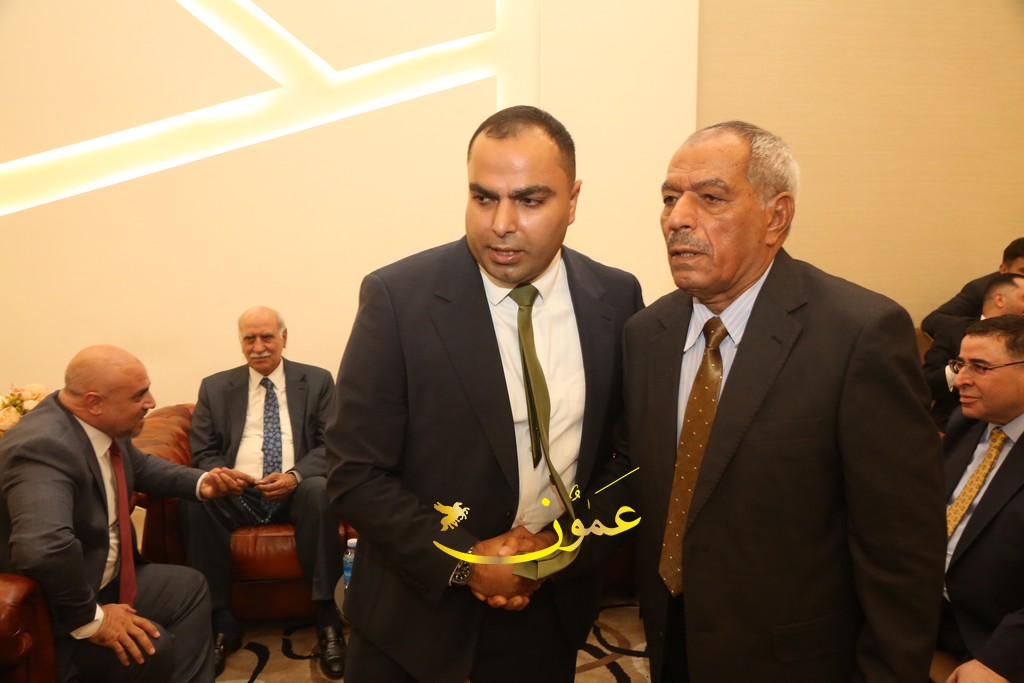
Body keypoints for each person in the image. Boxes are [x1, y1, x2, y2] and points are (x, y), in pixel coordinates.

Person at [324, 105, 643, 683]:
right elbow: (354, 473)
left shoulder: (617, 298)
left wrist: (554, 549)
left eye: (530, 200)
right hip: (412, 623)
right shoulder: (398, 299)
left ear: (573, 201)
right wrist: (468, 563)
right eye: (483, 197)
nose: (501, 223)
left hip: (548, 615)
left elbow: (625, 458)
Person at [622, 121, 946, 681]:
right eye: (670, 198)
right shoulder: (645, 334)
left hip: (798, 663)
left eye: (710, 198)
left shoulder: (860, 334)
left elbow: (901, 550)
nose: (677, 218)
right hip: (671, 644)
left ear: (776, 216)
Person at [0, 345, 253, 683]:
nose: (151, 401)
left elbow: (142, 466)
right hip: (58, 608)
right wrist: (92, 620)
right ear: (94, 402)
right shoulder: (43, 448)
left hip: (108, 576)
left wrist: (203, 482)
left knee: (189, 587)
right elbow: (42, 548)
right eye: (138, 395)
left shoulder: (100, 425)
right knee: (152, 648)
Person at [180, 306, 345, 679]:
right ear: (240, 342)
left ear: (284, 337)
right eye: (249, 338)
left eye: (267, 337)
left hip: (296, 487)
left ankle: (327, 619)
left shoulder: (317, 380)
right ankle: (220, 623)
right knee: (196, 501)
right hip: (238, 489)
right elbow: (204, 450)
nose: (258, 347)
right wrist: (225, 476)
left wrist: (295, 476)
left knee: (320, 491)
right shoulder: (215, 387)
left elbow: (332, 443)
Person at [935, 314, 1024, 683]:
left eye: (980, 367)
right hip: (926, 613)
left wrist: (1000, 661)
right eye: (960, 365)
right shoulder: (966, 423)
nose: (960, 380)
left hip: (995, 636)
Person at [924, 273, 1024, 429]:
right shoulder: (954, 330)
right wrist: (962, 367)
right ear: (1000, 299)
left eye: (980, 366)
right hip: (951, 426)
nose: (960, 381)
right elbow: (925, 385)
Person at [922, 237, 1024, 340]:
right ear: (1004, 270)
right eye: (1023, 271)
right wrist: (985, 326)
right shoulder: (979, 289)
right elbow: (932, 321)